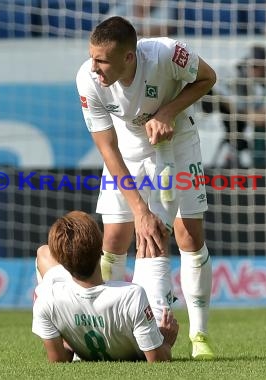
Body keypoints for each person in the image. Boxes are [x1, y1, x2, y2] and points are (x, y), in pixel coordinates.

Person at [76, 16, 217, 360]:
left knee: (188, 235)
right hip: (128, 150)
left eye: (102, 60)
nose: (94, 67)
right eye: (92, 57)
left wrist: (168, 112)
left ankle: (199, 336)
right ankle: (105, 329)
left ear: (129, 57)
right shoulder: (87, 79)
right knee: (113, 239)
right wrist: (140, 210)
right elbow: (107, 147)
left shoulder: (168, 54)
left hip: (178, 141)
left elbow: (208, 78)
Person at [32, 210, 179, 362]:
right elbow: (157, 360)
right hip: (138, 343)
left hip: (76, 328)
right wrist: (166, 341)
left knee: (43, 252)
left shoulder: (45, 299)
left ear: (63, 264)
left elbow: (58, 361)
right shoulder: (133, 295)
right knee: (152, 240)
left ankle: (76, 337)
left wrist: (70, 342)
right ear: (101, 250)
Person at [201, 59, 256, 168]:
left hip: (239, 127)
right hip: (231, 127)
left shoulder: (248, 90)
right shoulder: (228, 88)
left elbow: (238, 109)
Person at [106, 0, 176, 37]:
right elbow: (108, 26)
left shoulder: (164, 5)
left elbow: (166, 29)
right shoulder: (124, 6)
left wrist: (133, 33)